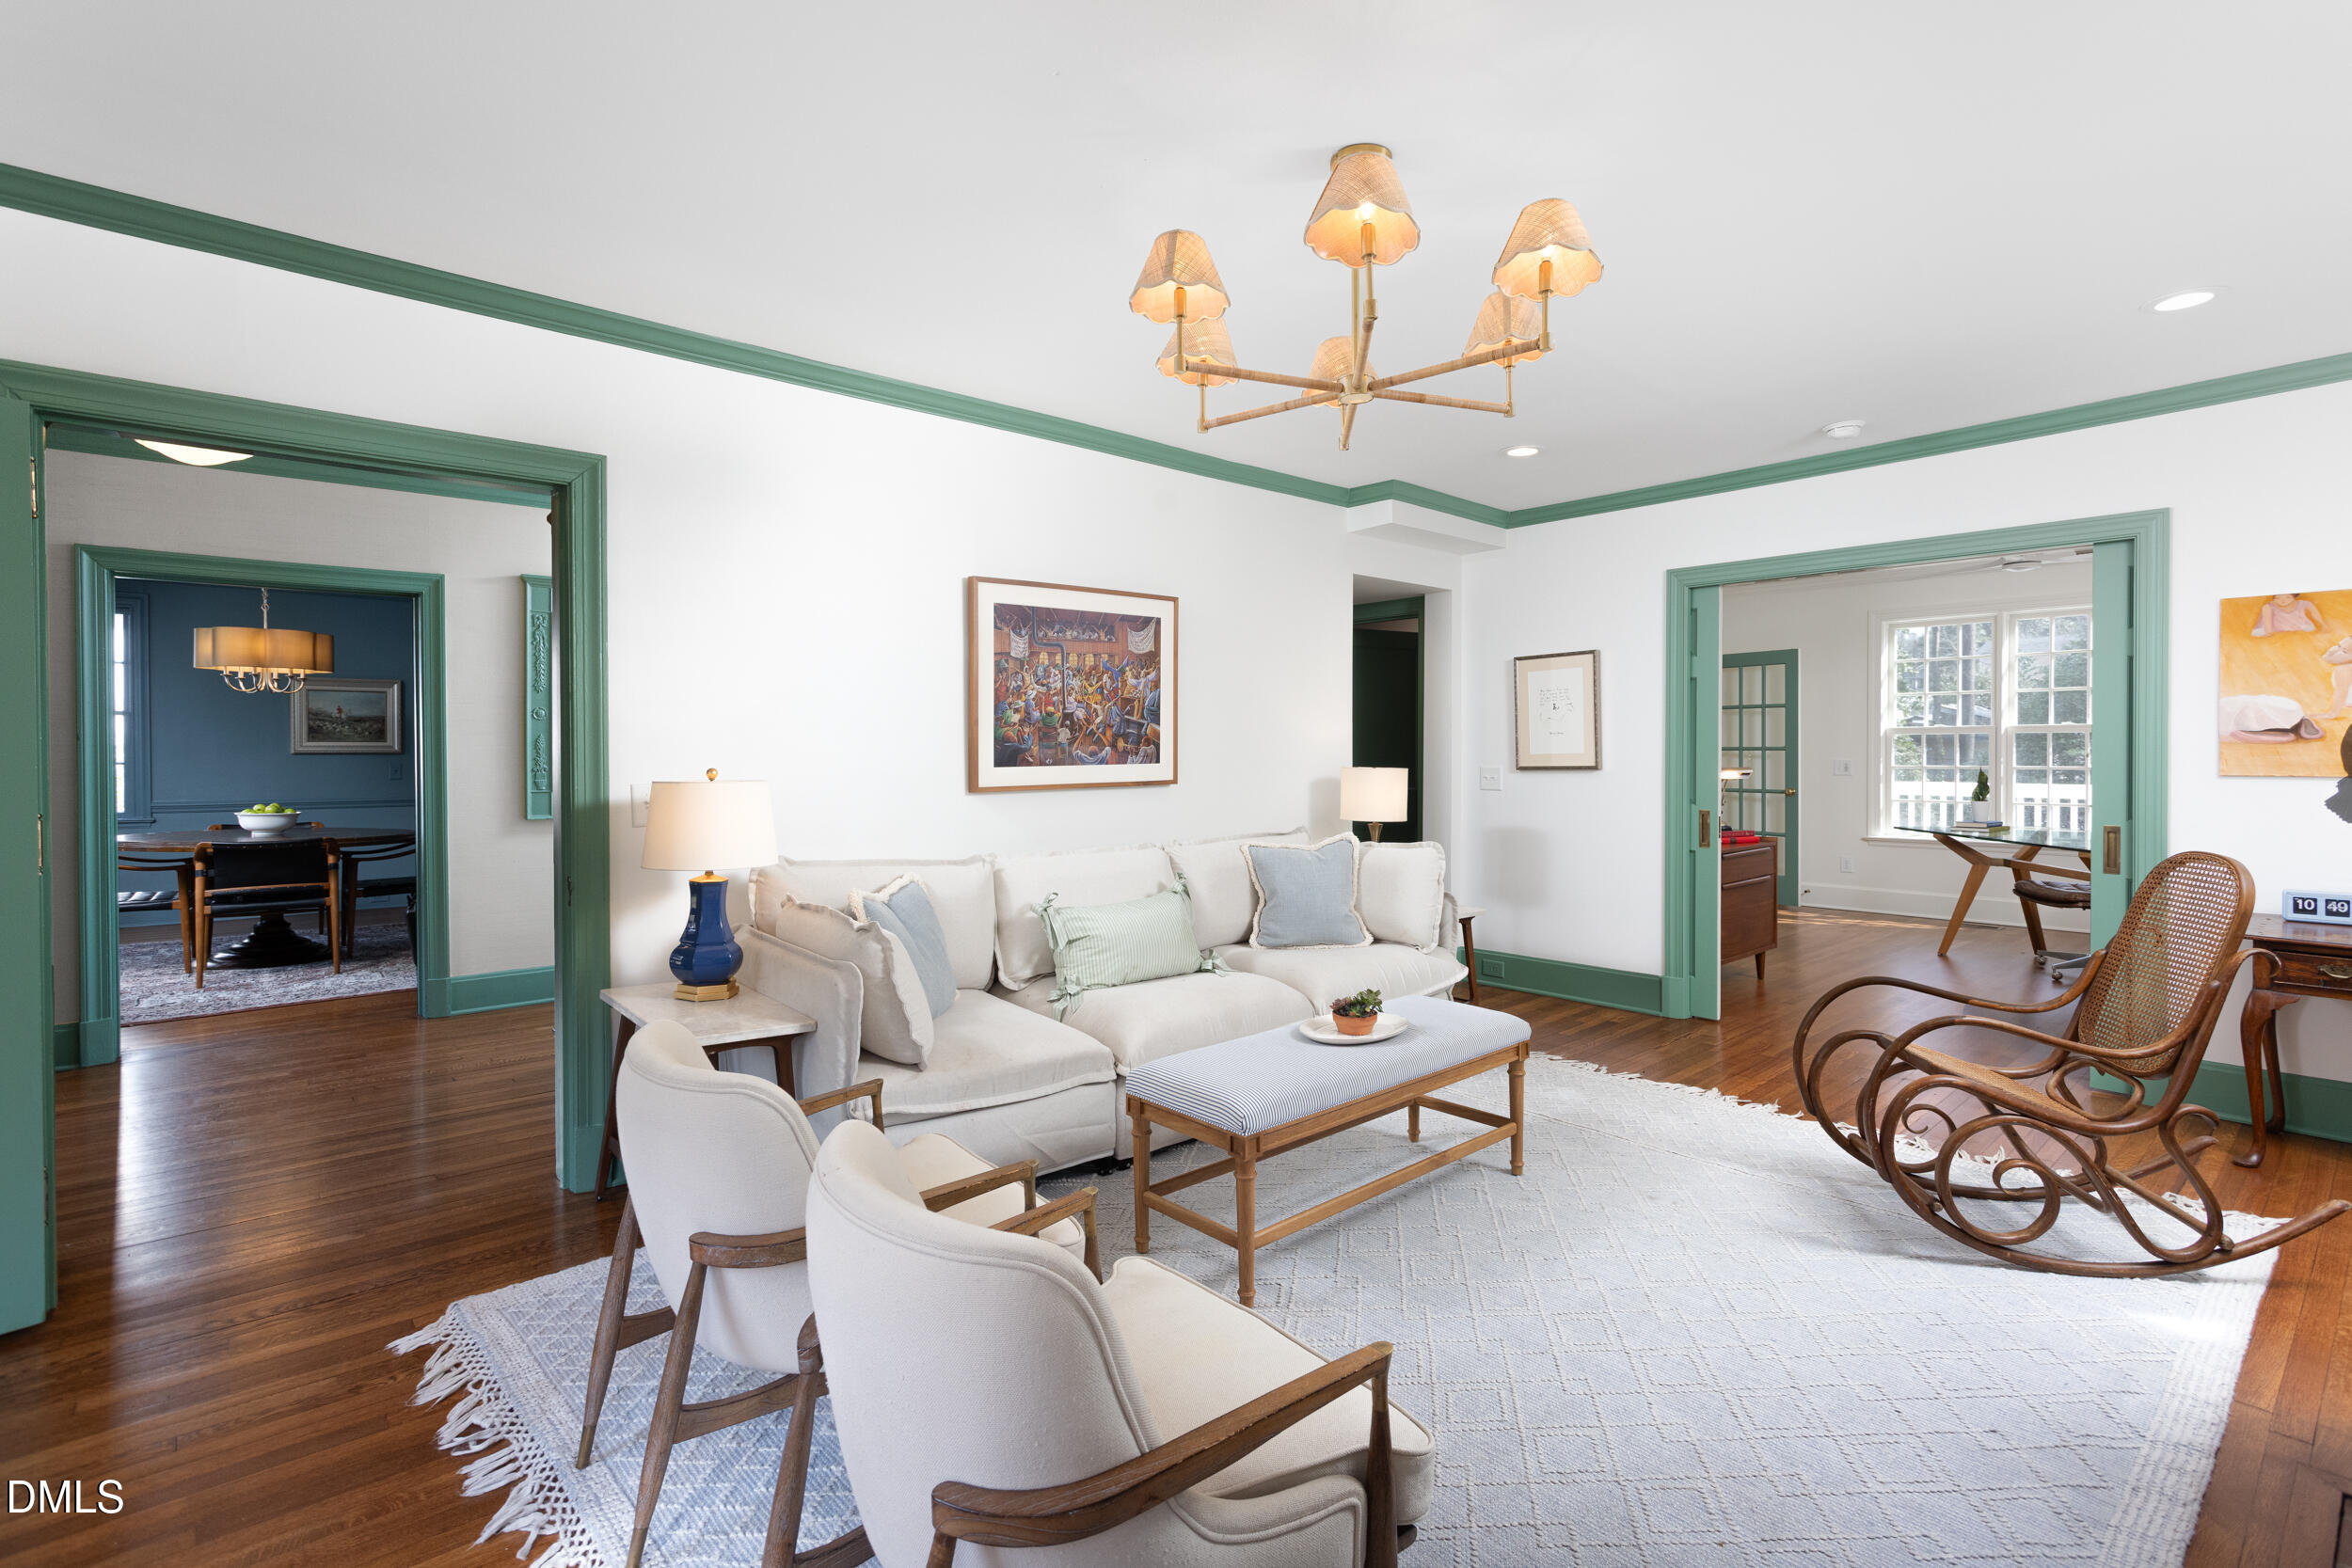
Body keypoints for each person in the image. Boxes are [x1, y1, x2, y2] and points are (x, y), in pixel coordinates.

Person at [2251, 594, 2328, 638]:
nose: (2283, 600)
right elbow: (2266, 620)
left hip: (2300, 627)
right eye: (2278, 598)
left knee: (2309, 629)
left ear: (2294, 597)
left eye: (2288, 597)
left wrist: (2323, 625)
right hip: (2276, 629)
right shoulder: (2268, 606)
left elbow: (2315, 614)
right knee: (2259, 633)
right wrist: (2269, 633)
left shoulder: (2304, 603)